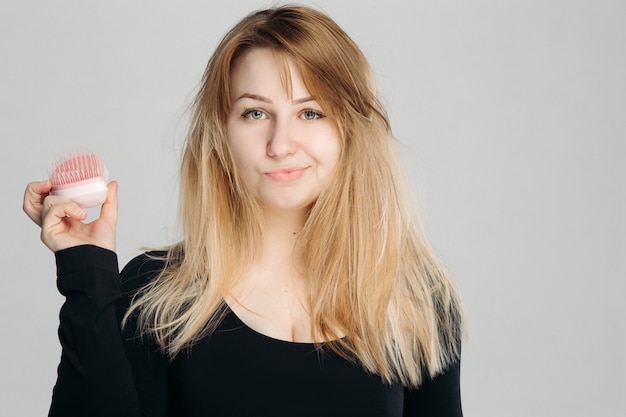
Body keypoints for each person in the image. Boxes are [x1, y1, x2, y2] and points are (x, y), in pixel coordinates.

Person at [23, 5, 465, 416]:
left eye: (310, 114)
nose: (280, 144)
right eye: (255, 113)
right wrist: (87, 270)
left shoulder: (415, 301)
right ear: (221, 132)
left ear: (350, 129)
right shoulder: (157, 294)